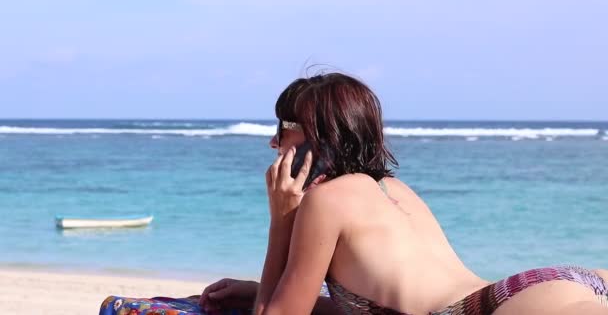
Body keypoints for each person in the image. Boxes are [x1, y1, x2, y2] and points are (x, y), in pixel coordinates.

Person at [199, 72, 608, 315]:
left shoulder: (325, 202)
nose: (273, 143)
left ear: (316, 134)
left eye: (281, 128)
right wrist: (254, 289)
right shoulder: (393, 189)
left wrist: (281, 220)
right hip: (539, 287)